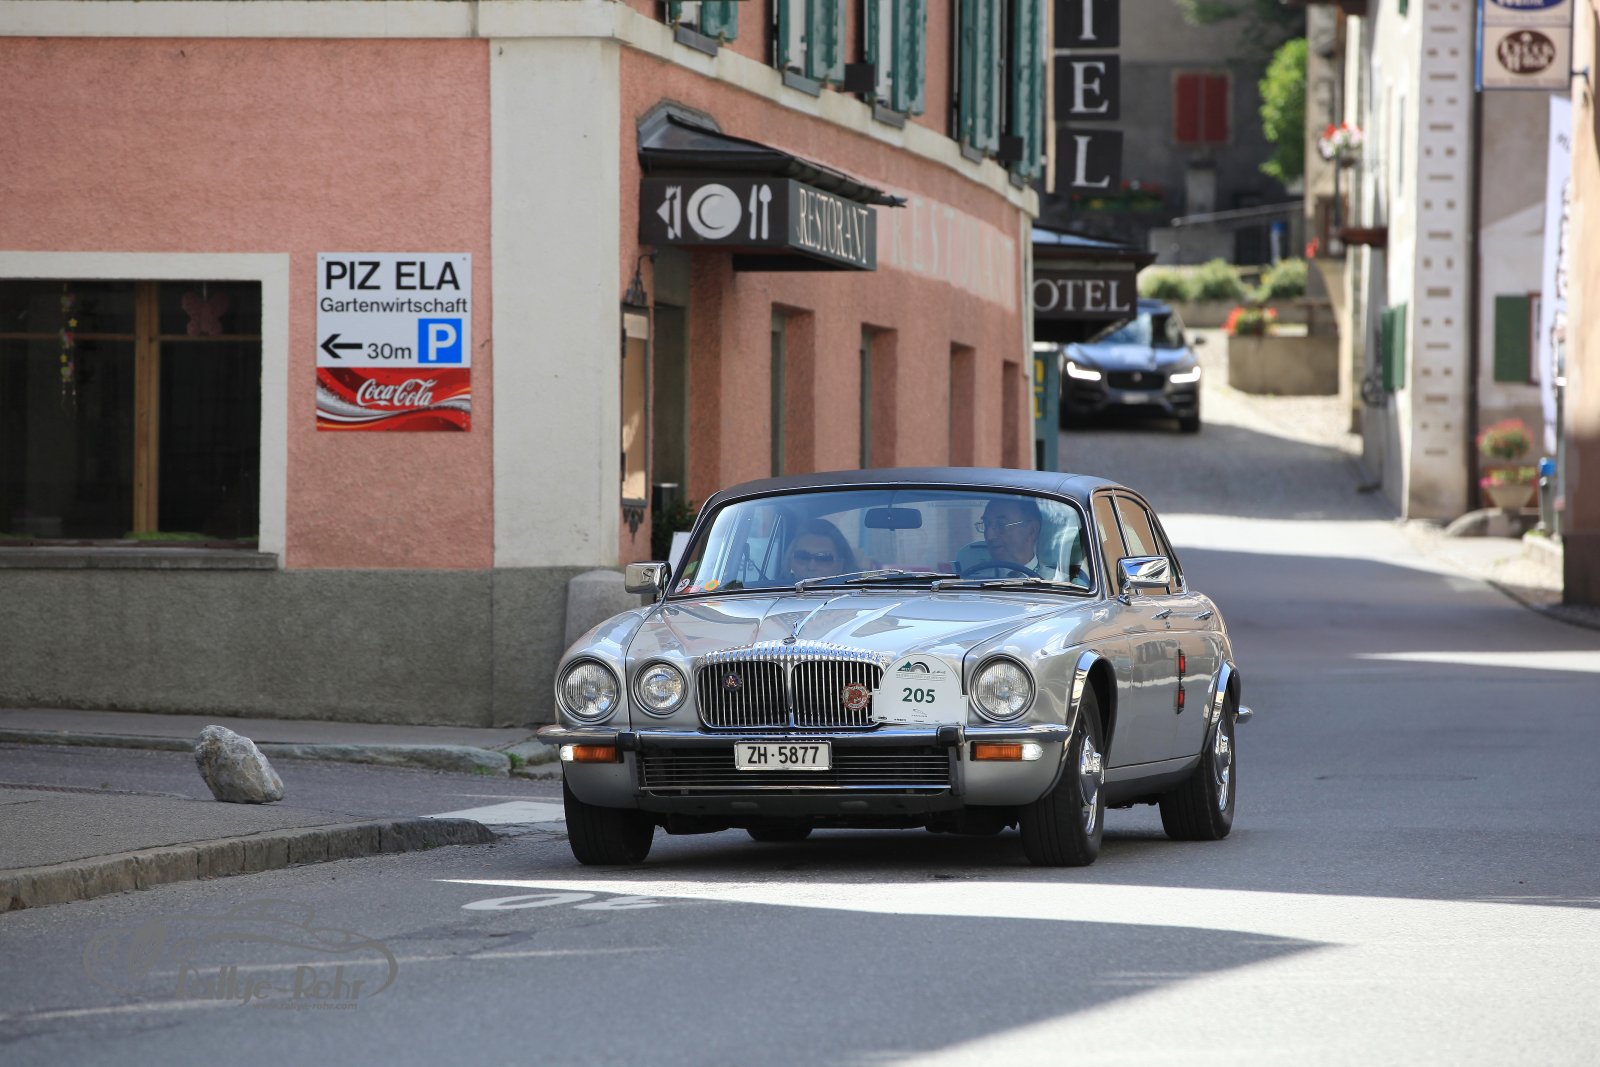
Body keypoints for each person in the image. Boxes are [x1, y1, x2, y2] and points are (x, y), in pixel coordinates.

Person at [784, 518, 856, 582]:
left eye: (824, 558)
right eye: (802, 557)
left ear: (840, 566)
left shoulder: (858, 592)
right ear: (790, 561)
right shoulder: (777, 589)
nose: (811, 567)